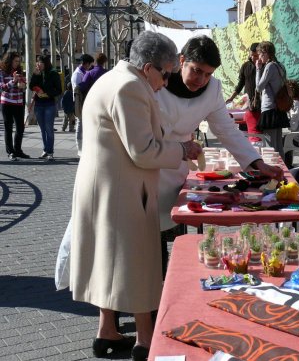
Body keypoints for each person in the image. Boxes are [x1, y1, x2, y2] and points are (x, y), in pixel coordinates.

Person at [69, 31, 201, 360]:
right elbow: (142, 151)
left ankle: (107, 332)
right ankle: (145, 341)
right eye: (166, 73)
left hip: (105, 186)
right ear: (147, 67)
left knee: (108, 261)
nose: (167, 80)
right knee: (139, 264)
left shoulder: (112, 79)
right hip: (122, 190)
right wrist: (182, 149)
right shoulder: (130, 87)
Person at [156, 36, 284, 273]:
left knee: (171, 232)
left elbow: (226, 129)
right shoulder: (158, 83)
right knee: (150, 240)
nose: (202, 80)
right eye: (196, 71)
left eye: (208, 74)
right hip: (152, 163)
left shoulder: (212, 88)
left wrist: (257, 162)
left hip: (176, 169)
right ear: (181, 61)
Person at [255, 41, 290, 153]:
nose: (259, 57)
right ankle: (282, 169)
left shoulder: (269, 66)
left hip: (269, 109)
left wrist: (258, 69)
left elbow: (259, 87)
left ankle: (274, 169)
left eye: (260, 54)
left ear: (265, 53)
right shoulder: (281, 66)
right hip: (279, 108)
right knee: (278, 145)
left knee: (270, 146)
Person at [29, 55, 62, 161]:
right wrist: (35, 75)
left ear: (46, 63)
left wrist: (46, 93)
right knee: (42, 129)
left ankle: (50, 151)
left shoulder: (53, 73)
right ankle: (45, 150)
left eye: (41, 63)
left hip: (49, 104)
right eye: (37, 62)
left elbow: (58, 90)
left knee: (49, 128)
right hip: (38, 104)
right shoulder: (37, 73)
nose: (39, 65)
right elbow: (31, 86)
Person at [226, 42, 262, 138]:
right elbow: (240, 84)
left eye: (256, 56)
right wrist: (231, 98)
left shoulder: (264, 66)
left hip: (261, 103)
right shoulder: (245, 66)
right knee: (245, 127)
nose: (254, 58)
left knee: (258, 129)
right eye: (252, 55)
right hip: (247, 102)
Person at [0, 51, 29, 160]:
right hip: (7, 103)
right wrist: (13, 81)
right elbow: (2, 87)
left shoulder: (19, 71)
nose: (18, 63)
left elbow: (22, 86)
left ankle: (18, 150)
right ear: (9, 60)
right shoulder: (2, 72)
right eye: (15, 61)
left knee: (20, 128)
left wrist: (22, 85)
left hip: (18, 103)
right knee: (8, 128)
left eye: (19, 61)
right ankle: (10, 152)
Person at [71, 53, 94, 155]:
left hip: (84, 101)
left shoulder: (84, 72)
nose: (90, 67)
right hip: (79, 102)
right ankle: (79, 147)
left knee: (84, 125)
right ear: (86, 64)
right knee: (80, 124)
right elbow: (77, 90)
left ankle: (84, 146)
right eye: (90, 64)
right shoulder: (78, 74)